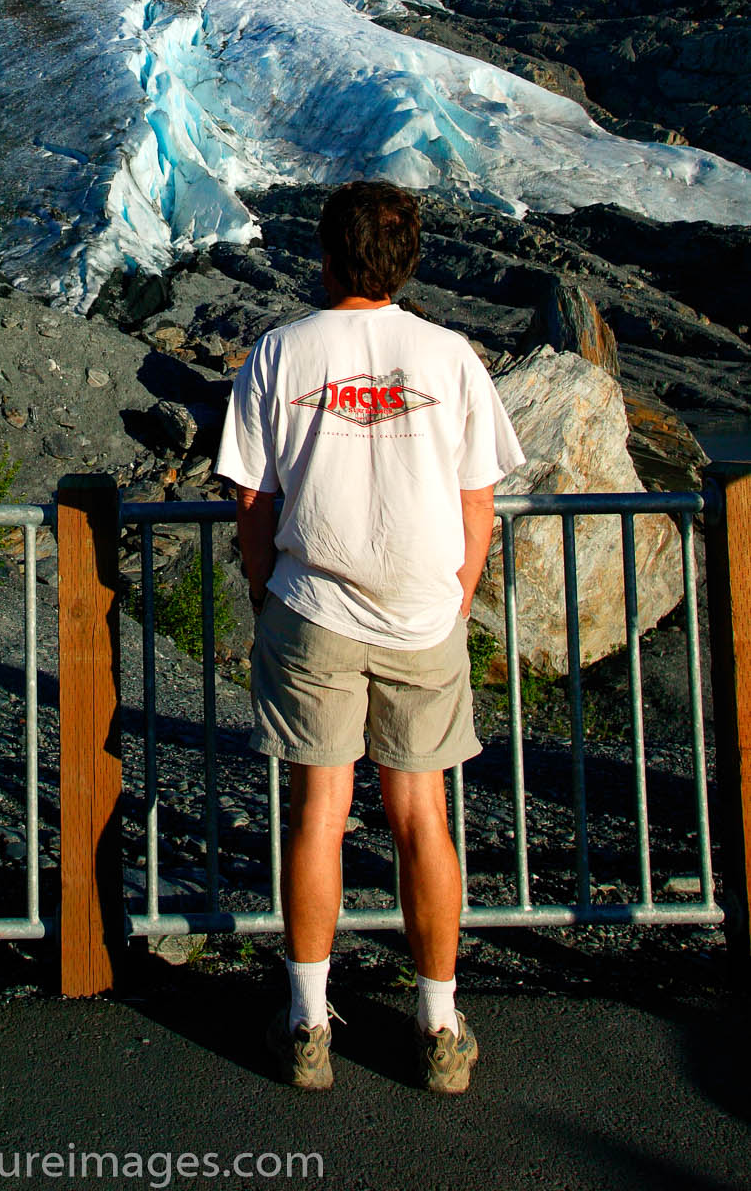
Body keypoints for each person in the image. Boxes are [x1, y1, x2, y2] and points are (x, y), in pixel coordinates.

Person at [215, 179, 524, 1095]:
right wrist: (456, 594)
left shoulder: (280, 351)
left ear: (325, 253)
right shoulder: (451, 355)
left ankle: (308, 1021)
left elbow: (251, 498)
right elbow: (479, 503)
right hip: (423, 614)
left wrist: (267, 588)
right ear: (408, 259)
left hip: (313, 608)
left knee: (319, 811)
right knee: (421, 817)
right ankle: (437, 1023)